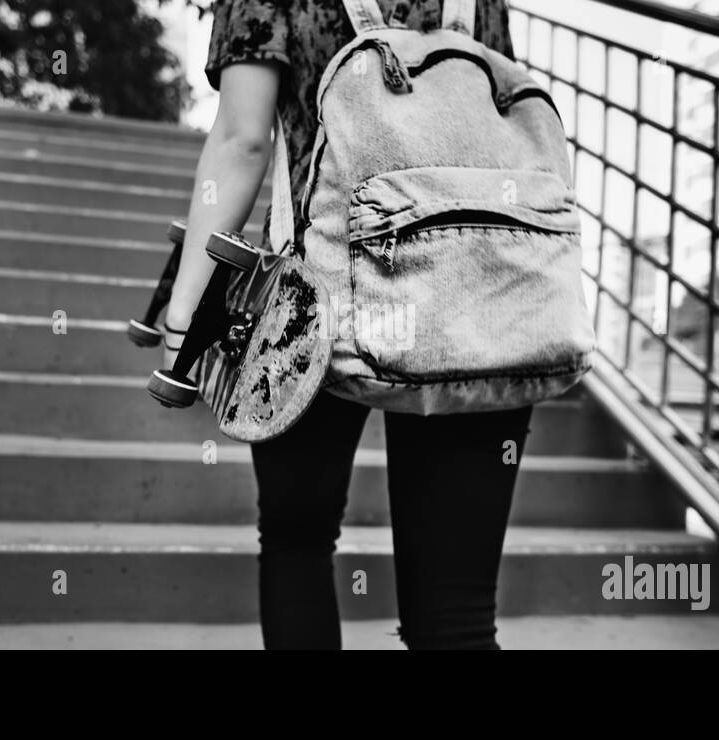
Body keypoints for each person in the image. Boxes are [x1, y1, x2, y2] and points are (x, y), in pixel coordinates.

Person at [161, 0, 531, 650]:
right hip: (473, 299)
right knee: (458, 617)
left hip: (315, 300)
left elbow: (243, 140)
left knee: (297, 542)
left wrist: (185, 312)